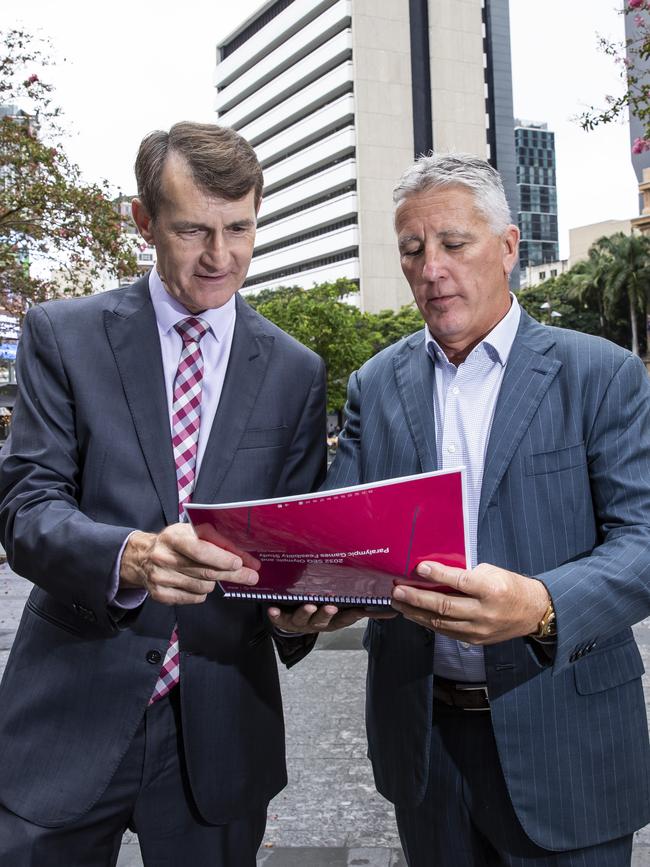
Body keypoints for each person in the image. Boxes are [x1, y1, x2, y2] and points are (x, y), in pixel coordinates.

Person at [273, 153, 650, 865]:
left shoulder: (601, 375)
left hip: (566, 736)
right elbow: (343, 533)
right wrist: (310, 598)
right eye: (413, 250)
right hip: (427, 743)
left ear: (508, 246)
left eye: (453, 243)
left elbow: (643, 540)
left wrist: (541, 603)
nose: (430, 268)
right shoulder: (375, 384)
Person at [0, 122, 329, 866]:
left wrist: (302, 609)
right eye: (193, 230)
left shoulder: (296, 371)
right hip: (67, 716)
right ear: (144, 221)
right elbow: (25, 507)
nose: (221, 256)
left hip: (218, 731)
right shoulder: (62, 335)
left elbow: (297, 545)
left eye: (240, 228)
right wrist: (134, 554)